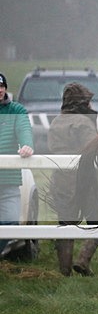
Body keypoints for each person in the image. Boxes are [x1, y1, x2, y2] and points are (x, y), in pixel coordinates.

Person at [47, 82, 98, 276]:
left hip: (61, 179)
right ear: (82, 102)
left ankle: (64, 272)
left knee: (66, 225)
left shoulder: (57, 121)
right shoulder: (82, 122)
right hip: (84, 179)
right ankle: (83, 260)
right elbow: (93, 148)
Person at [0, 72, 35, 257]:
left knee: (10, 223)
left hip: (8, 181)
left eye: (1, 86)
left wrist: (27, 146)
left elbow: (24, 130)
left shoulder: (17, 110)